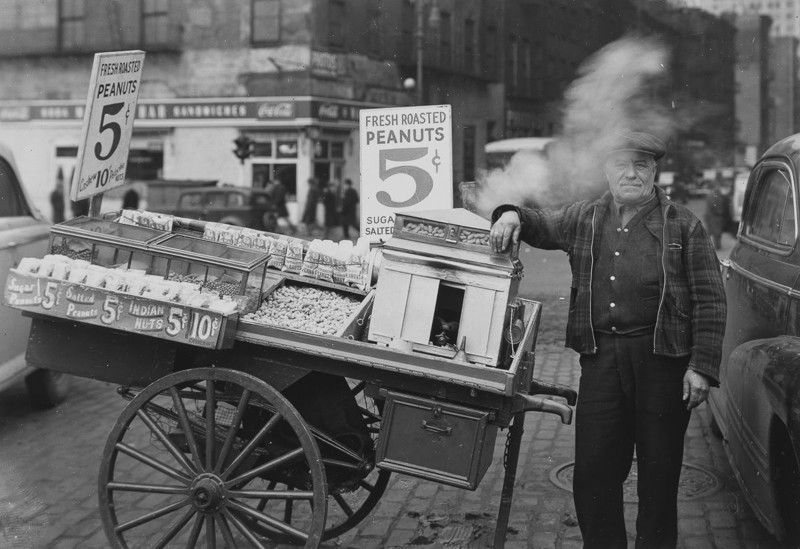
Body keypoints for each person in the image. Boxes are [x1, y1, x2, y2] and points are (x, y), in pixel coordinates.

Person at [489, 131, 726, 549]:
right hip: (601, 363)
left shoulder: (683, 224)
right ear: (607, 170)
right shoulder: (586, 217)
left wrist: (702, 367)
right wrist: (511, 213)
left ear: (655, 171)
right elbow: (541, 224)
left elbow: (710, 299)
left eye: (641, 165)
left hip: (664, 366)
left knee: (659, 475)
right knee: (594, 472)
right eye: (621, 164)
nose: (630, 174)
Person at [703, 179, 730, 249]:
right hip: (714, 216)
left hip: (714, 216)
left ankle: (717, 245)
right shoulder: (712, 195)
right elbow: (713, 206)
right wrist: (720, 211)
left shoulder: (716, 194)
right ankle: (716, 245)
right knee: (715, 231)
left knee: (716, 231)